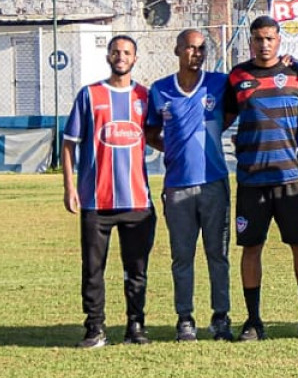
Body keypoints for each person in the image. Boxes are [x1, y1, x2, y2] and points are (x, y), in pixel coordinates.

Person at [223, 16, 298, 341]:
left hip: (290, 177)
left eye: (269, 39)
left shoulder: (294, 76)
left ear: (279, 41)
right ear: (250, 41)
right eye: (258, 39)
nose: (264, 44)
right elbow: (222, 119)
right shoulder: (237, 77)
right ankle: (253, 320)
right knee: (251, 248)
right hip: (252, 180)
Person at [63, 35, 156, 348]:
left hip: (137, 200)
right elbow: (68, 144)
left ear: (135, 58)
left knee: (137, 271)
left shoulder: (145, 96)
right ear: (108, 56)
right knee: (93, 270)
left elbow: (158, 137)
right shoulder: (90, 95)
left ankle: (136, 326)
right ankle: (94, 329)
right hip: (95, 201)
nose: (121, 56)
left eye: (127, 52)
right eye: (116, 51)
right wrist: (69, 187)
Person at [144, 28, 229, 342]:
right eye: (191, 48)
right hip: (178, 185)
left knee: (217, 253)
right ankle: (185, 318)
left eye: (202, 48)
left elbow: (231, 113)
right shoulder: (161, 89)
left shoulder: (219, 83)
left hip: (214, 182)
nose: (197, 53)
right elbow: (151, 132)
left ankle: (221, 317)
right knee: (182, 256)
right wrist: (175, 148)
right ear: (177, 50)